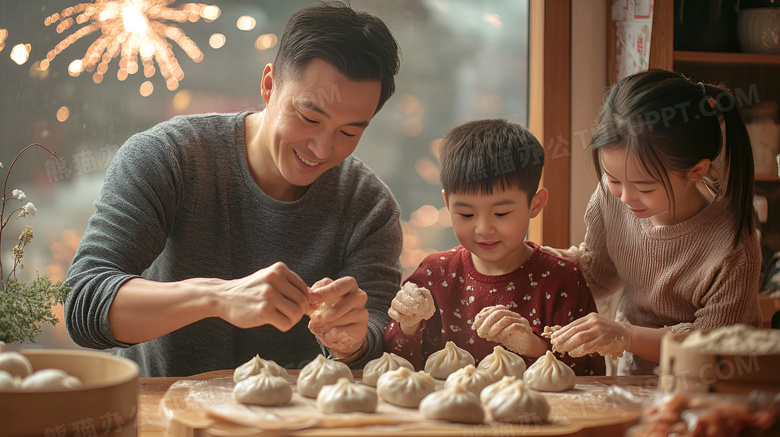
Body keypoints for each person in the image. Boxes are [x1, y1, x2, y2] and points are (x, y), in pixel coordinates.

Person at [64, 1, 403, 377]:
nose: (323, 149)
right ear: (269, 85)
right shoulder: (170, 157)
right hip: (165, 422)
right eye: (309, 117)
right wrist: (216, 297)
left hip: (299, 424)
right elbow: (84, 304)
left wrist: (352, 341)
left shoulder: (369, 206)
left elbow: (379, 340)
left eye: (349, 132)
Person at [548, 69, 762, 375]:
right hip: (634, 379)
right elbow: (597, 273)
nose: (625, 197)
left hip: (710, 387)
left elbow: (714, 345)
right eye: (613, 179)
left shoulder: (733, 245)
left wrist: (624, 334)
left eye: (645, 187)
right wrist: (526, 257)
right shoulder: (612, 199)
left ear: (697, 171)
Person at [384, 119, 606, 375]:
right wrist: (407, 325)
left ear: (535, 205)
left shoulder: (562, 279)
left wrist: (535, 346)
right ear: (447, 204)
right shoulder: (434, 274)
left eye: (501, 213)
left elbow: (591, 373)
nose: (483, 229)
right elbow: (394, 365)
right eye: (466, 214)